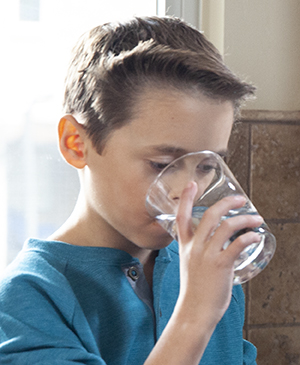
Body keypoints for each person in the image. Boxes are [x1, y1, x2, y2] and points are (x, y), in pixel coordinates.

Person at [0, 16, 262, 364]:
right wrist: (195, 318)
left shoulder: (209, 273)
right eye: (160, 164)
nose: (189, 192)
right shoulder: (27, 300)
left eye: (206, 166)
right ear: (76, 143)